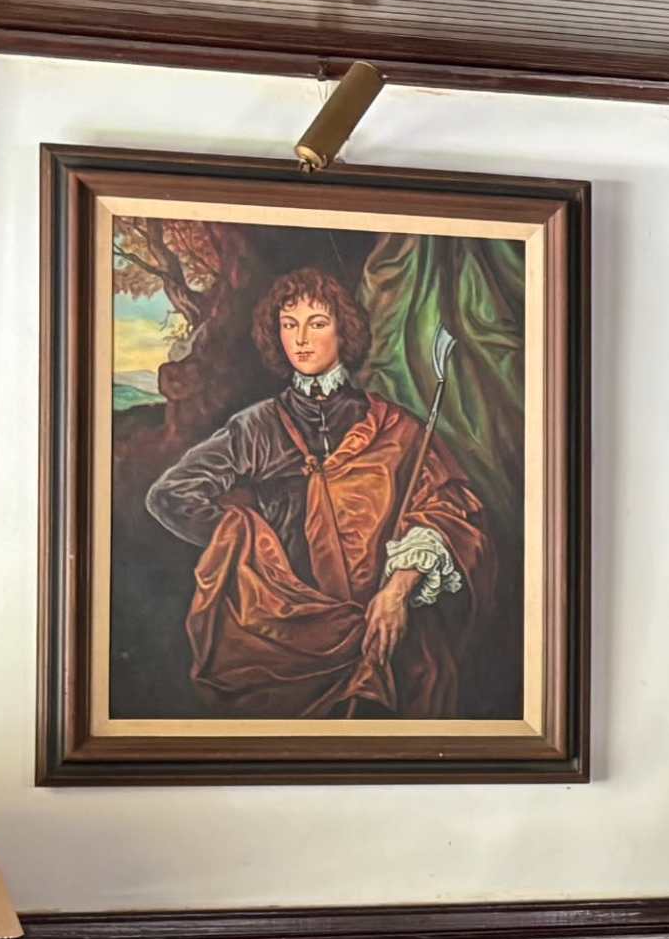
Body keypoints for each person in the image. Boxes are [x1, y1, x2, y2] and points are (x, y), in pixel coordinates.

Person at [143, 264, 494, 717]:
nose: (301, 339)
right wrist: (251, 545)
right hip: (283, 638)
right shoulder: (258, 426)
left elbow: (450, 512)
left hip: (382, 634)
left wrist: (397, 592)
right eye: (288, 325)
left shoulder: (397, 428)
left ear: (343, 330)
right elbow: (171, 495)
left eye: (316, 323)